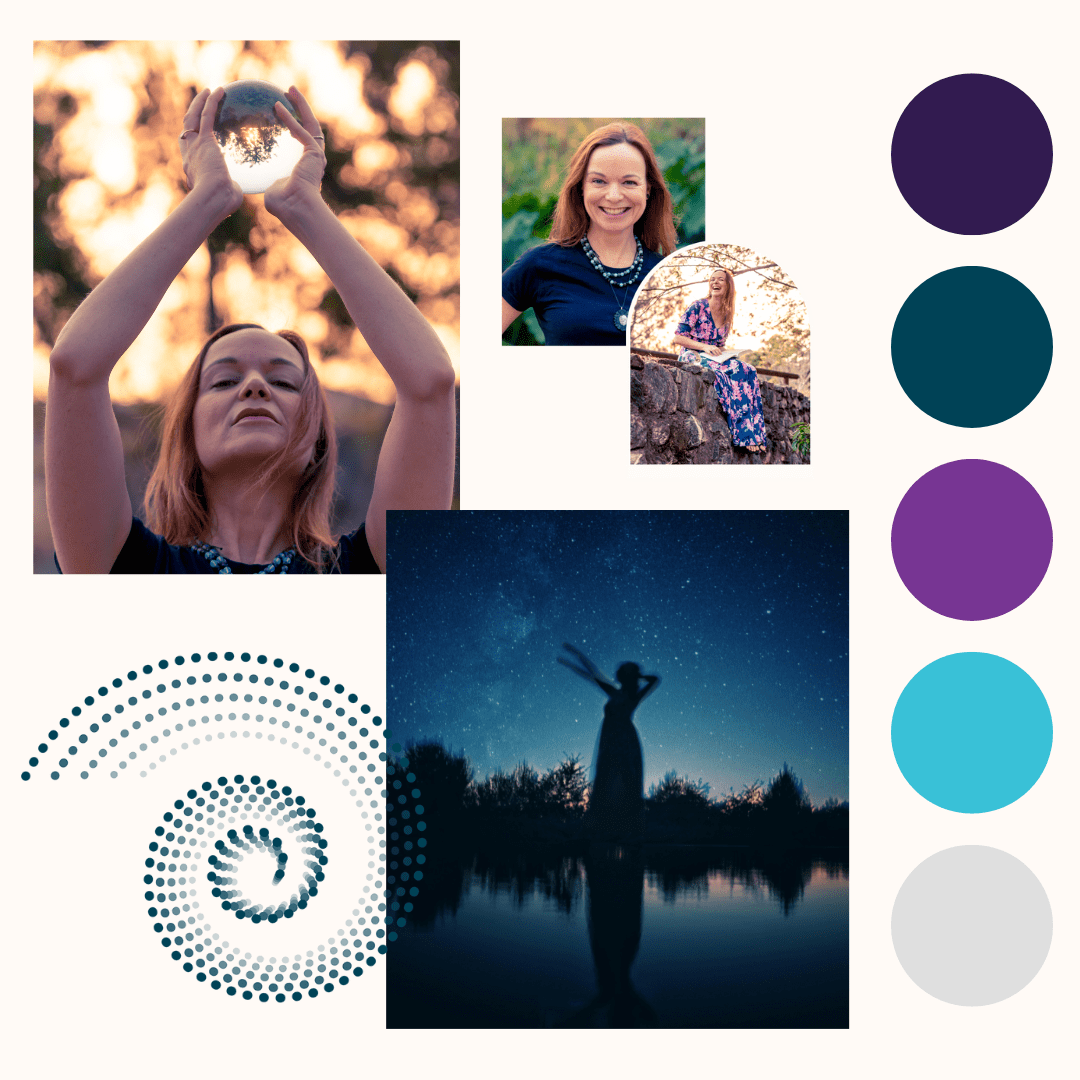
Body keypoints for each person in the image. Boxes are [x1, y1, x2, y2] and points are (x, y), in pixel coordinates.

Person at [46, 86, 456, 574]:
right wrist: (208, 200)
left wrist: (304, 206)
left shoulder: (369, 571)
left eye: (284, 381)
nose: (256, 386)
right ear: (187, 432)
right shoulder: (124, 566)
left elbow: (429, 383)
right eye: (223, 380)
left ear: (316, 442)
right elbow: (74, 368)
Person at [501, 122, 677, 346]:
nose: (613, 196)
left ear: (648, 189)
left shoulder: (670, 277)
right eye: (599, 181)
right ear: (581, 186)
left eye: (629, 182)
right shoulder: (539, 265)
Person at [557, 643, 660, 840]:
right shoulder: (616, 693)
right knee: (606, 780)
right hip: (611, 741)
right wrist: (576, 657)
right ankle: (600, 831)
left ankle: (629, 832)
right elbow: (593, 675)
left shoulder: (633, 696)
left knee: (625, 781)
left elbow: (655, 680)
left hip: (624, 741)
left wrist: (639, 676)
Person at [672, 268, 767, 452]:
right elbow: (678, 338)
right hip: (693, 354)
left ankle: (755, 435)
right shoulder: (698, 306)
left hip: (714, 356)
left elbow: (719, 345)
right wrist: (704, 347)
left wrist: (730, 353)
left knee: (747, 370)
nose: (715, 283)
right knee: (725, 374)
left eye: (720, 280)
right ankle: (743, 437)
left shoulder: (726, 314)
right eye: (712, 279)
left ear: (728, 285)